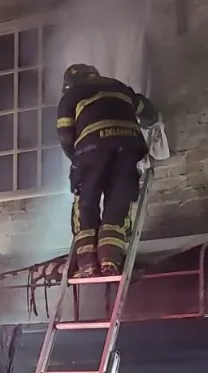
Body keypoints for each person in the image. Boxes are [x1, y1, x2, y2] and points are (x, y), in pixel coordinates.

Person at [57, 64, 158, 279]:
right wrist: (153, 121)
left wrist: (77, 160)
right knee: (118, 199)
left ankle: (88, 265)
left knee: (86, 201)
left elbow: (65, 135)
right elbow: (146, 109)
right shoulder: (118, 87)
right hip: (129, 146)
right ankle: (109, 259)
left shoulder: (71, 96)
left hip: (92, 149)